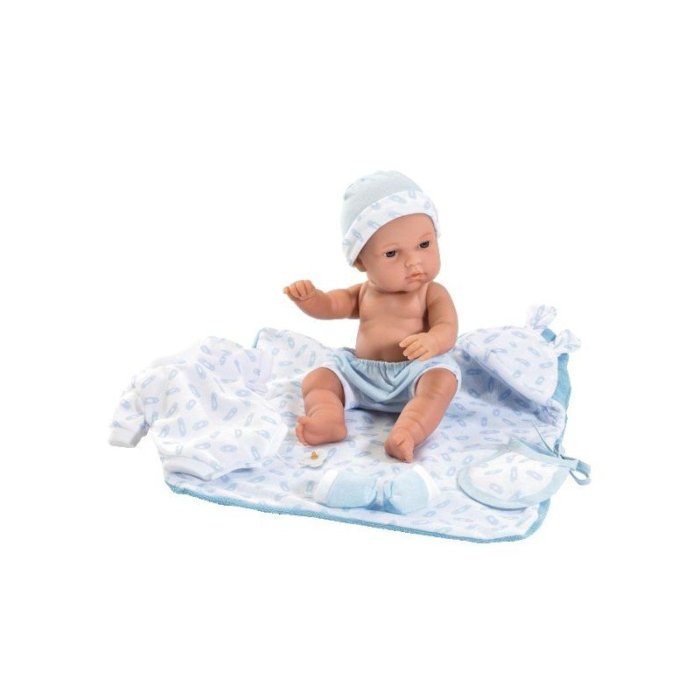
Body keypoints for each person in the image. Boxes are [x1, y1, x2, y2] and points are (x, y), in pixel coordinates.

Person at [283, 171, 461, 462]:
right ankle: (327, 418)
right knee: (319, 378)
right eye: (392, 253)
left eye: (424, 245)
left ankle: (409, 431)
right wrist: (311, 299)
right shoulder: (363, 293)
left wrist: (432, 341)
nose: (413, 261)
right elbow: (331, 305)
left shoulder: (431, 292)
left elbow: (447, 326)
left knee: (442, 380)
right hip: (360, 375)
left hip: (413, 374)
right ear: (360, 261)